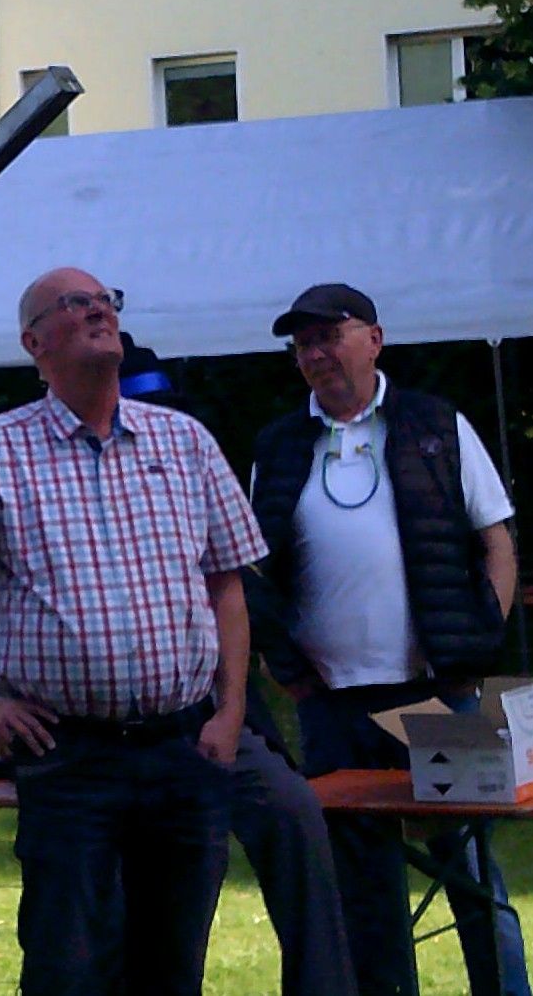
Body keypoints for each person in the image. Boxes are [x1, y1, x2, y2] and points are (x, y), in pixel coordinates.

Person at [0, 267, 265, 996]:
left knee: (172, 968)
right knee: (67, 966)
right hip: (68, 755)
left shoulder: (184, 442)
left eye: (105, 300)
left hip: (182, 747)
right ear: (34, 343)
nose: (97, 311)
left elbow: (227, 581)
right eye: (74, 304)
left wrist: (232, 709)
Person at [246, 284, 527, 996]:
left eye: (328, 336)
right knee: (360, 890)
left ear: (373, 339)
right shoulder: (279, 445)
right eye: (302, 344)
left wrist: (480, 636)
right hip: (330, 704)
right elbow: (254, 571)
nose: (315, 353)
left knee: (472, 875)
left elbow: (495, 540)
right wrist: (280, 661)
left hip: (439, 693)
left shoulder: (435, 424)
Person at [120, 334, 356, 996]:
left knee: (294, 815)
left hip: (220, 713)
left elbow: (243, 592)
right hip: (130, 730)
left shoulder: (194, 469)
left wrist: (233, 710)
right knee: (185, 868)